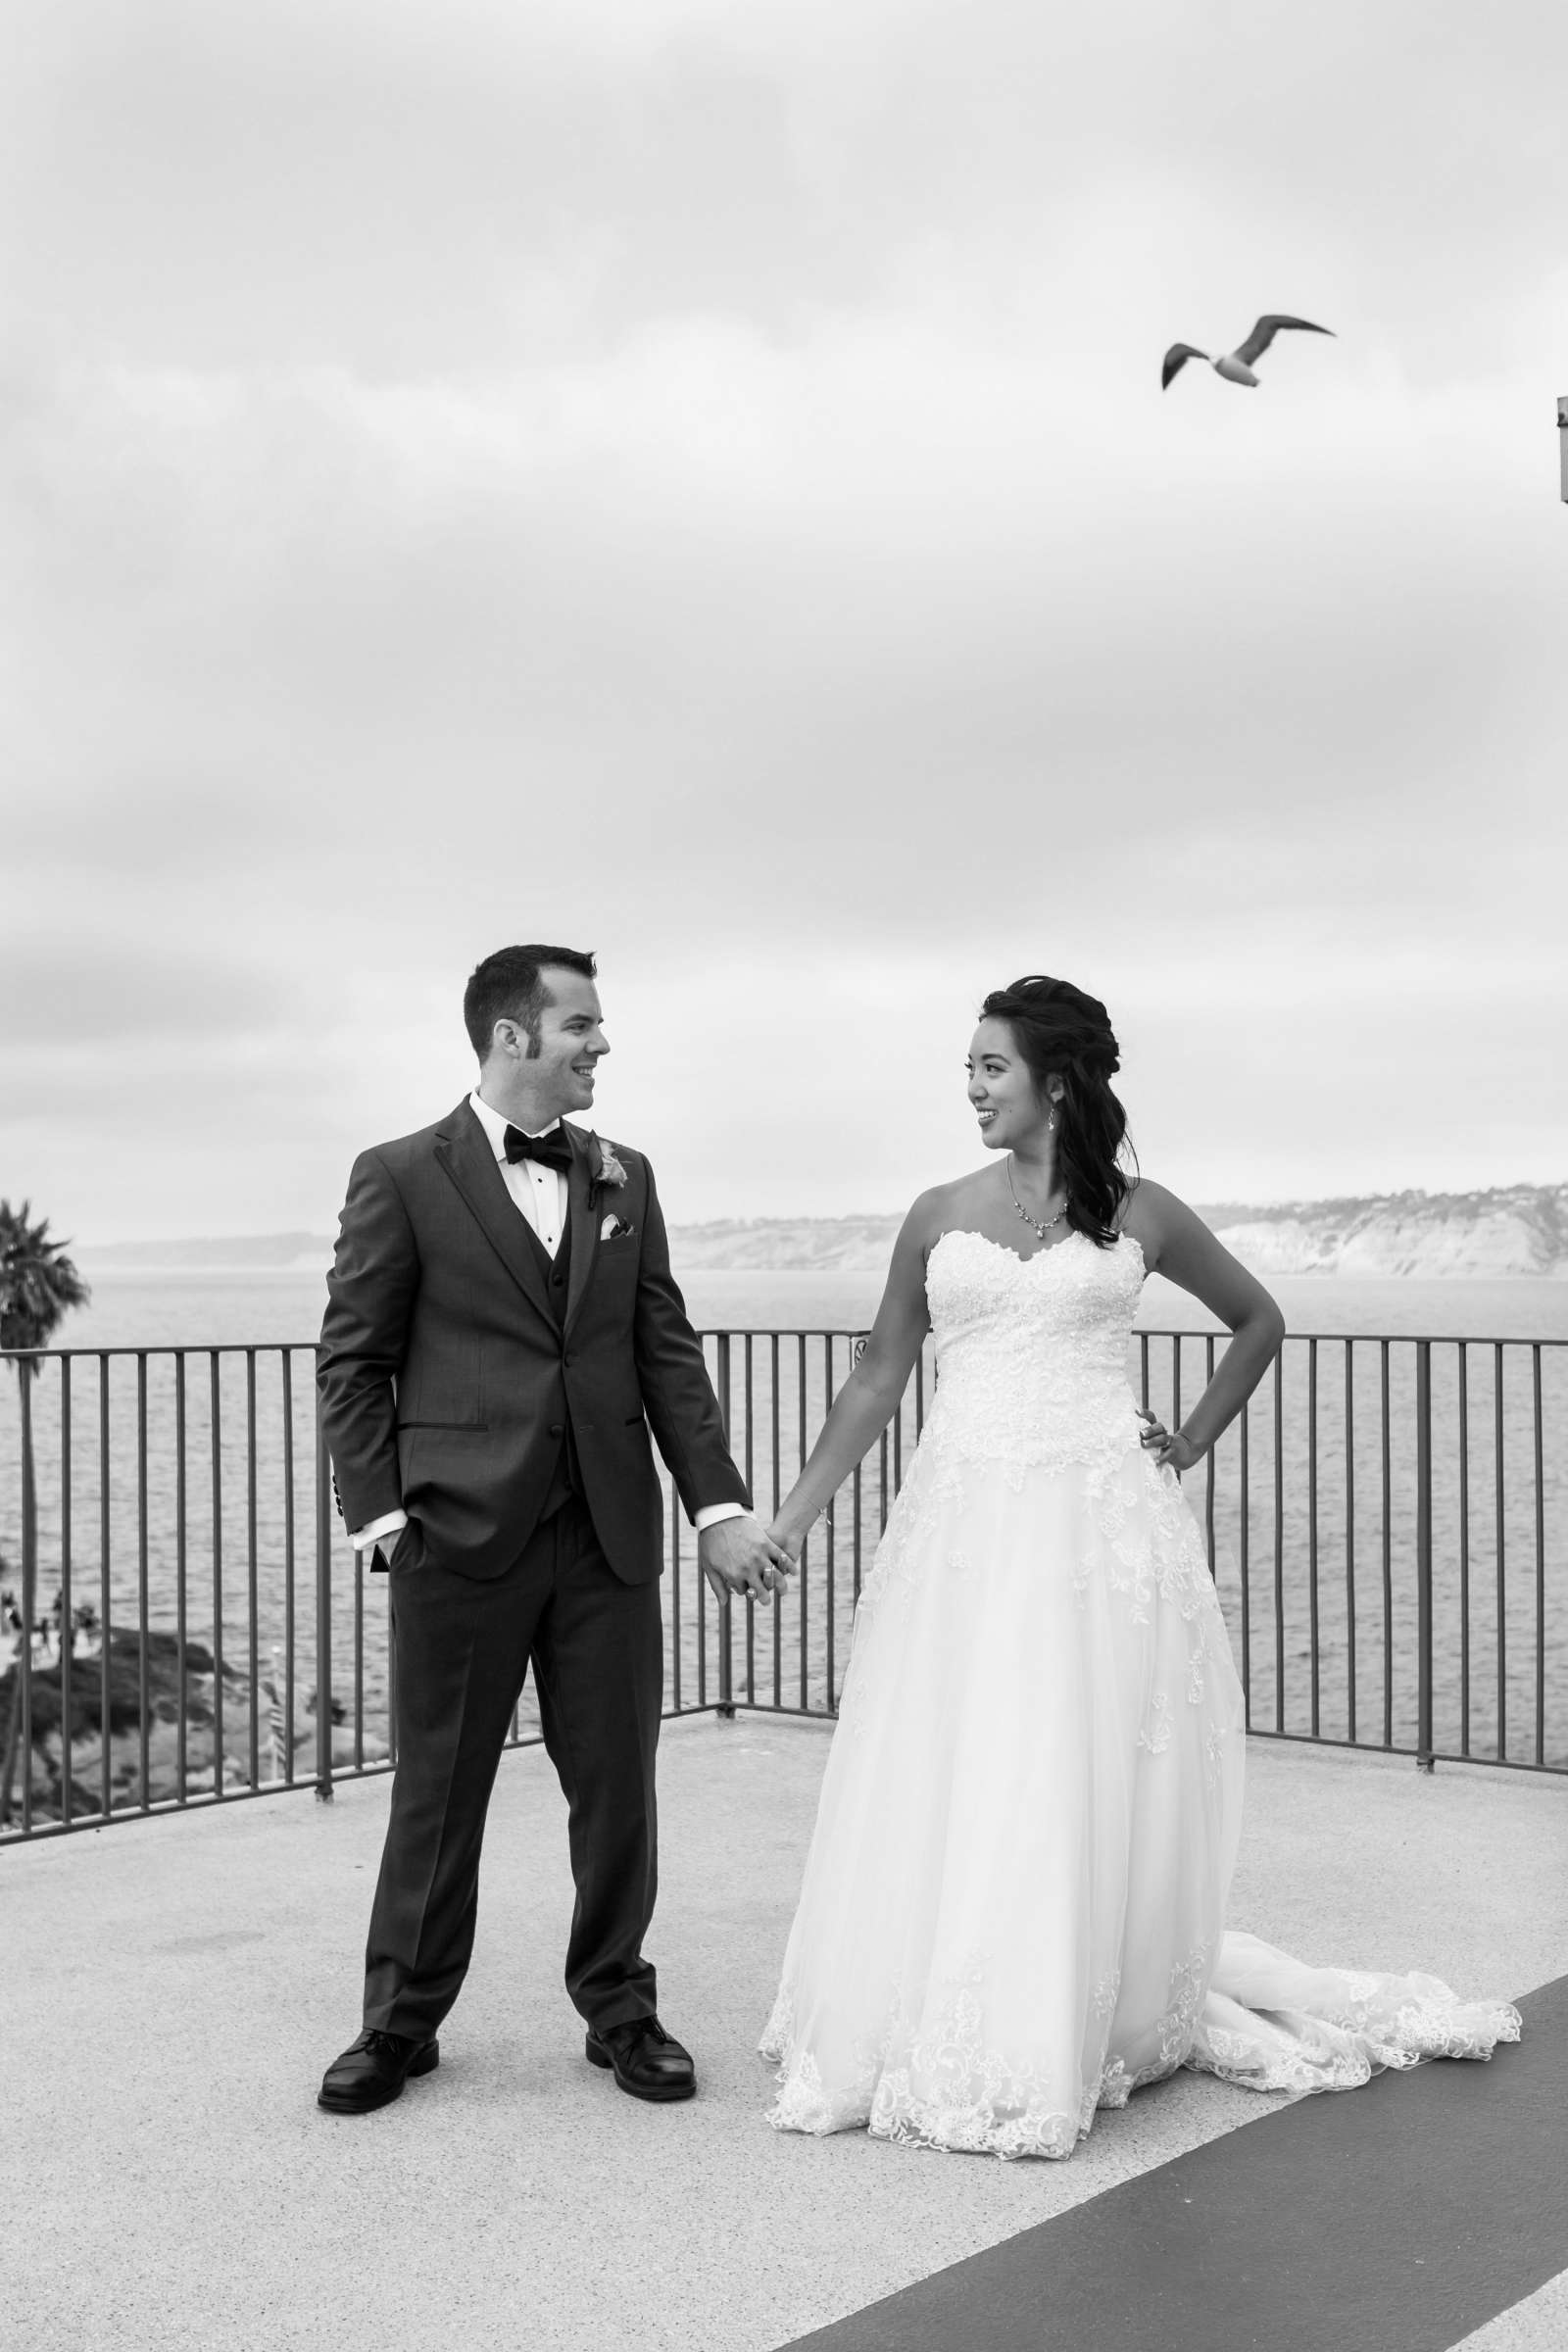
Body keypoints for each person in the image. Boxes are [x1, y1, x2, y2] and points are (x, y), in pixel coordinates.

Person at [759, 974, 1519, 2157]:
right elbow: (877, 1377)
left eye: (989, 1067)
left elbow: (1258, 1321)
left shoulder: (1142, 1213)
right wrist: (794, 1516)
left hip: (1100, 1531)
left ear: (1053, 1081)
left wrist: (1192, 1440)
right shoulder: (933, 1213)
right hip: (964, 1530)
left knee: (1070, 1760)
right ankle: (955, 1993)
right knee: (961, 1753)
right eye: (965, 1067)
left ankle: (1065, 2004)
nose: (969, 1086)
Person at [316, 945, 792, 2116]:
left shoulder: (627, 1175)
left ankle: (621, 2009)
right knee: (438, 1788)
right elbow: (354, 1359)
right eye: (580, 1026)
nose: (600, 1047)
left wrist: (716, 1504)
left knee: (618, 1783)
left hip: (607, 1536)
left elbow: (664, 1349)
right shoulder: (400, 1173)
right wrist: (380, 1516)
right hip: (456, 1536)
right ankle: (399, 2023)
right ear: (513, 1036)